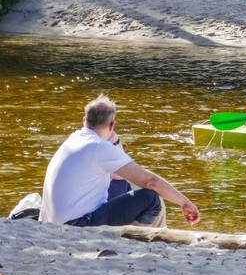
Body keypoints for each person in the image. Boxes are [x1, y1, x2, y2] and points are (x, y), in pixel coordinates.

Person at [39, 94, 200, 228]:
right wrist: (185, 203)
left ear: (84, 120)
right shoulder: (98, 146)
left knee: (122, 184)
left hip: (54, 225)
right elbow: (151, 182)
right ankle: (131, 240)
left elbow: (119, 177)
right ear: (112, 125)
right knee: (150, 198)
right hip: (78, 225)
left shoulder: (73, 139)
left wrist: (115, 143)